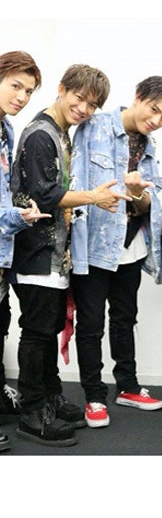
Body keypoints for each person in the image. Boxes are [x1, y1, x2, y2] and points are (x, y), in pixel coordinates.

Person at [10, 63, 129, 447]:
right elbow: (43, 195)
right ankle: (33, 413)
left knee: (47, 331)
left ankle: (50, 399)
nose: (84, 109)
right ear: (62, 89)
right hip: (36, 252)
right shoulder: (40, 134)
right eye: (79, 99)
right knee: (37, 333)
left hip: (54, 252)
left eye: (92, 105)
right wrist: (94, 197)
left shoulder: (61, 132)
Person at [70, 75, 162, 428]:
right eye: (154, 110)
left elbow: (154, 202)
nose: (156, 120)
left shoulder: (154, 147)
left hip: (131, 247)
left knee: (125, 318)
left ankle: (128, 387)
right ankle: (93, 396)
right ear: (138, 97)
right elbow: (75, 180)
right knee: (91, 324)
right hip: (94, 244)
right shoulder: (93, 127)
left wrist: (137, 193)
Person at [0, 51, 50, 452]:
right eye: (15, 86)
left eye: (29, 91)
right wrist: (16, 217)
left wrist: (19, 214)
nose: (22, 97)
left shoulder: (7, 130)